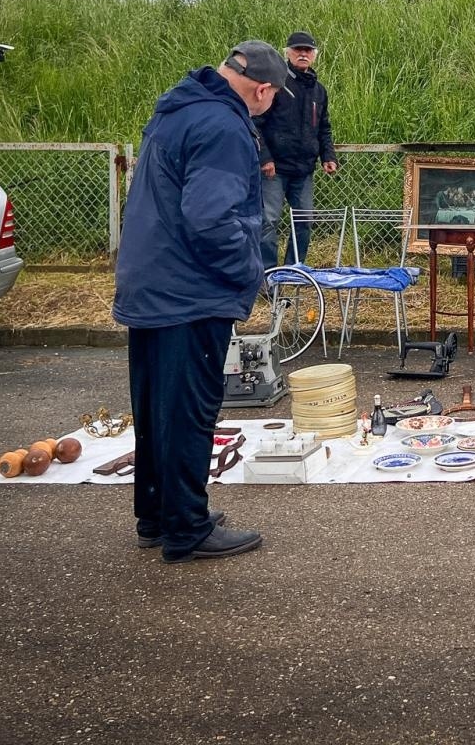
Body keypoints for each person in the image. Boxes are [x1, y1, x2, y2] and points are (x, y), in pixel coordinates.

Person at [112, 41, 286, 563]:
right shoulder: (223, 127)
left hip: (151, 283)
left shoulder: (176, 112)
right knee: (189, 411)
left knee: (156, 409)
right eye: (273, 98)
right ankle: (186, 527)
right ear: (262, 89)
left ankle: (157, 516)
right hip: (189, 291)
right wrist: (247, 273)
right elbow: (211, 218)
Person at [257, 30, 338, 268]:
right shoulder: (275, 84)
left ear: (314, 55)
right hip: (274, 169)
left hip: (304, 170)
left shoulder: (318, 90)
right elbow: (256, 123)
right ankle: (268, 275)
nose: (303, 54)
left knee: (304, 221)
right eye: (297, 50)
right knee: (268, 221)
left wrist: (328, 155)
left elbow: (324, 127)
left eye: (308, 50)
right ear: (287, 53)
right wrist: (265, 157)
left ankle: (294, 270)